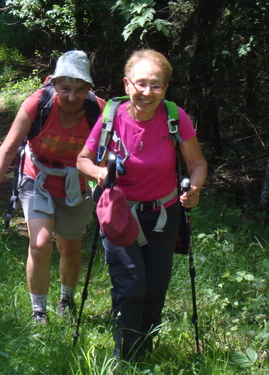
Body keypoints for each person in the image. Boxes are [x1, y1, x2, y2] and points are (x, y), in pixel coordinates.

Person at [77, 49, 207, 361]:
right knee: (131, 283)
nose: (147, 92)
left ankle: (144, 353)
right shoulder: (111, 116)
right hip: (120, 213)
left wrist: (196, 188)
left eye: (156, 86)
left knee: (155, 288)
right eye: (140, 84)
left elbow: (197, 164)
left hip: (164, 214)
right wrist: (99, 172)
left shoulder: (175, 117)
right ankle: (124, 358)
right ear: (127, 84)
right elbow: (82, 160)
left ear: (166, 88)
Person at [0, 50, 105, 323]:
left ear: (89, 89)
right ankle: (39, 311)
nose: (72, 96)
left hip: (77, 182)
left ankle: (66, 300)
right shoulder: (38, 103)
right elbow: (8, 148)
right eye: (65, 88)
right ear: (54, 84)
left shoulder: (99, 110)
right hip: (37, 177)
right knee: (41, 242)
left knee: (70, 248)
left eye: (79, 89)